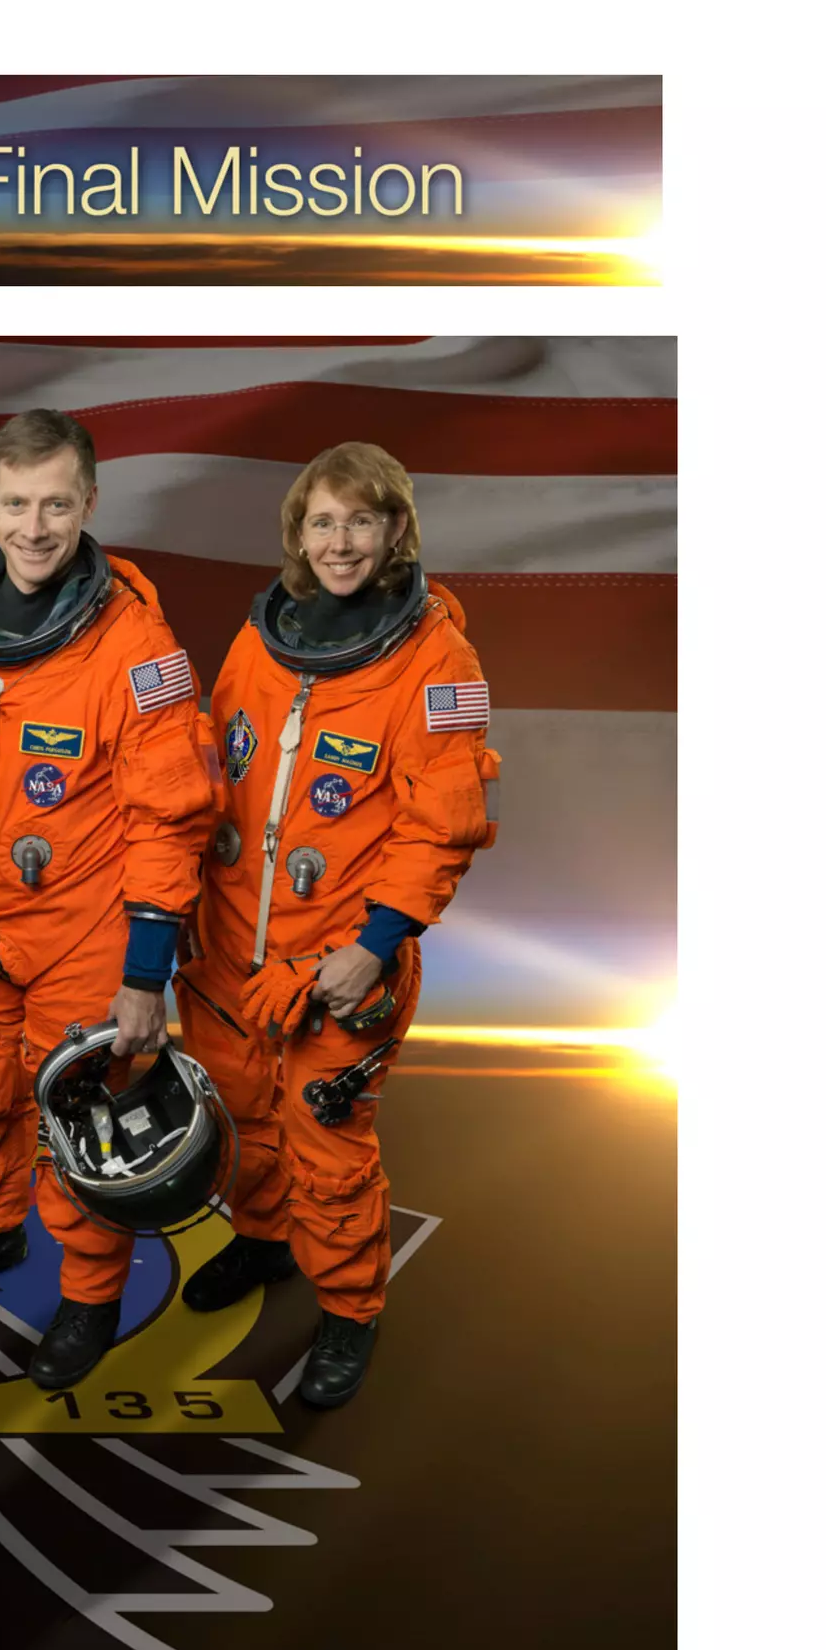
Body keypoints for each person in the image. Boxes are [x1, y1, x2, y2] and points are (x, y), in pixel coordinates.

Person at [0, 408, 223, 1388]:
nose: (34, 527)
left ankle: (86, 1297)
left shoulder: (136, 648)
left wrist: (144, 973)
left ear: (88, 503)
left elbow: (169, 820)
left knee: (85, 1122)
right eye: (17, 503)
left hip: (80, 930)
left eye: (56, 504)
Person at [178, 440, 500, 1408]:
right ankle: (261, 1240)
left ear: (395, 529)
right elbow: (216, 778)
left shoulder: (437, 660)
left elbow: (438, 825)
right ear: (297, 533)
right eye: (322, 521)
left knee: (326, 1146)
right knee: (239, 1121)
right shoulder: (261, 638)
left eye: (360, 520)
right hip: (231, 944)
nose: (339, 541)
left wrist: (375, 944)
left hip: (339, 957)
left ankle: (350, 1310)